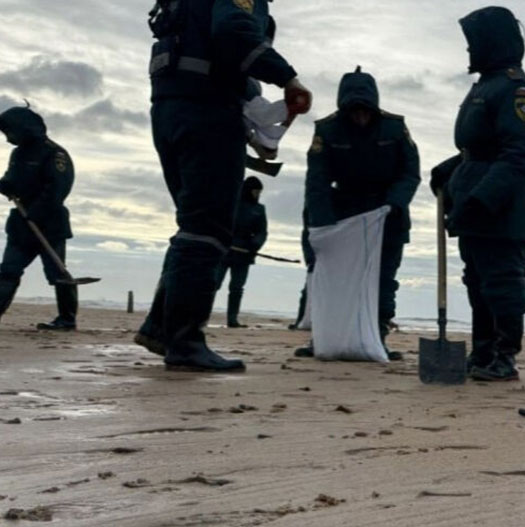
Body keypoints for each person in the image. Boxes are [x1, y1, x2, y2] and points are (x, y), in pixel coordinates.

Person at [136, 0, 311, 371]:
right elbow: (234, 32)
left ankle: (160, 329)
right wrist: (287, 77)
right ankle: (185, 342)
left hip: (170, 110)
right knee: (207, 230)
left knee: (193, 225)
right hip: (206, 114)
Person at [430, 6, 525, 382]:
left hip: (501, 206)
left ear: (493, 43)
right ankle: (482, 351)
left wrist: (483, 199)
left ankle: (504, 356)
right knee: (476, 280)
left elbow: (520, 156)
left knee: (501, 281)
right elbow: (478, 148)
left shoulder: (517, 90)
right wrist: (450, 171)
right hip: (470, 197)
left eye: (474, 43)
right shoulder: (485, 86)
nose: (468, 52)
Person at [300, 67, 420, 361]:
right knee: (336, 278)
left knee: (384, 279)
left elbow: (410, 173)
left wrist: (394, 204)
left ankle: (377, 335)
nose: (360, 117)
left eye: (365, 111)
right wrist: (322, 224)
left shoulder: (395, 128)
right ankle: (325, 336)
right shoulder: (326, 130)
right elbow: (317, 180)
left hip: (387, 214)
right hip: (344, 212)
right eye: (353, 111)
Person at [0, 105, 76, 330]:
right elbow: (12, 181)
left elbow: (58, 188)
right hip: (21, 223)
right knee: (8, 270)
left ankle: (67, 319)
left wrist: (37, 213)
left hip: (49, 224)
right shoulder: (18, 153)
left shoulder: (55, 153)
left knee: (57, 272)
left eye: (9, 133)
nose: (7, 139)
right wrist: (5, 186)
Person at [215, 176, 267, 328]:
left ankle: (232, 319)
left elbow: (262, 232)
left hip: (245, 254)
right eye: (255, 191)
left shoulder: (259, 209)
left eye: (259, 192)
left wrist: (255, 245)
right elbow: (221, 222)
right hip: (225, 251)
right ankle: (200, 315)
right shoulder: (232, 203)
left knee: (237, 288)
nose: (257, 194)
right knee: (214, 284)